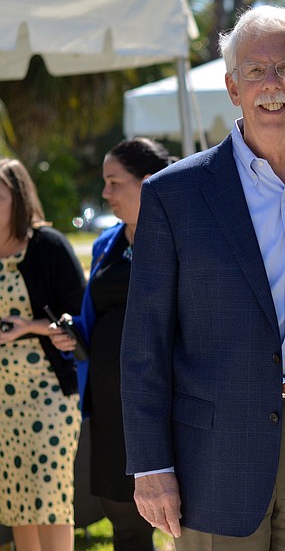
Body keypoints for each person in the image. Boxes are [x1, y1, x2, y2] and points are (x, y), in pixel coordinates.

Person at [119, 4, 285, 551]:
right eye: (253, 70)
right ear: (231, 87)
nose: (271, 84)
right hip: (212, 450)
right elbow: (144, 342)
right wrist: (150, 466)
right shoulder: (174, 194)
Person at [48, 138, 176, 551]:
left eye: (114, 182)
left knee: (188, 522)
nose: (105, 193)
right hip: (110, 409)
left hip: (170, 404)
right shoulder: (107, 244)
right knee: (124, 522)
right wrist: (73, 336)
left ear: (150, 182)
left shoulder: (182, 237)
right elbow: (94, 316)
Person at [0, 158, 86, 551]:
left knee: (49, 496)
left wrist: (29, 327)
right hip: (4, 398)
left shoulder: (47, 246)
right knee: (16, 498)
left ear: (17, 199)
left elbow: (80, 317)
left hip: (50, 392)